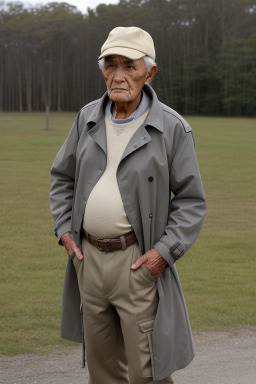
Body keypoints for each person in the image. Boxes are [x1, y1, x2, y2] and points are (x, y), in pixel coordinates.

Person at [50, 26, 206, 384]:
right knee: (102, 369)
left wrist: (162, 254)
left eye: (129, 66)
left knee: (146, 370)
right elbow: (62, 177)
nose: (118, 76)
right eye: (110, 64)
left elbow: (191, 201)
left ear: (149, 72)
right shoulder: (87, 117)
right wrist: (63, 230)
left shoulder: (172, 129)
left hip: (138, 262)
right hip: (87, 260)